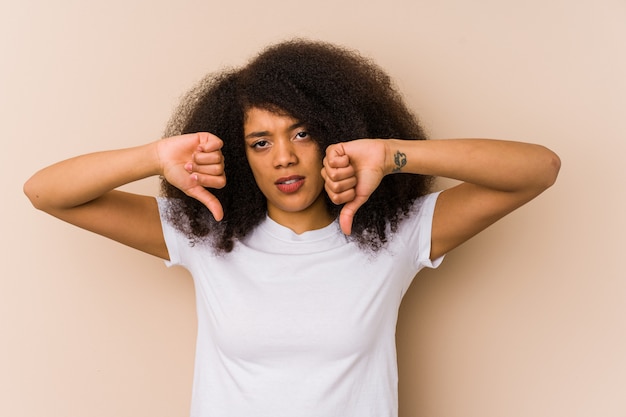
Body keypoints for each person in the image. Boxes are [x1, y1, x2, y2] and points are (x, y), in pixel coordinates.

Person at [23, 39, 560, 417]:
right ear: (239, 154)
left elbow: (539, 169)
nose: (283, 157)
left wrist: (392, 155)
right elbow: (46, 192)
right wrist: (156, 156)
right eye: (260, 142)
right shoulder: (206, 234)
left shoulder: (398, 234)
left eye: (302, 133)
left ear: (337, 135)